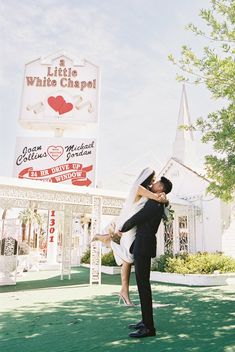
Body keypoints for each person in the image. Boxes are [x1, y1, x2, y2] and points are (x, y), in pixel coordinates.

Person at [93, 167, 168, 305]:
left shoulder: (147, 190)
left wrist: (163, 198)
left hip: (134, 227)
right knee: (128, 257)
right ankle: (107, 241)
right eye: (153, 178)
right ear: (147, 177)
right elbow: (154, 197)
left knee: (128, 259)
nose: (153, 181)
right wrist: (163, 199)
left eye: (155, 180)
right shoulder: (139, 188)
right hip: (130, 226)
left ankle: (124, 291)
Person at [119, 176, 173, 338]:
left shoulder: (154, 203)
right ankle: (145, 322)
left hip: (143, 246)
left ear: (161, 189)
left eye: (157, 183)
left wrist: (123, 227)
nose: (153, 184)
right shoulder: (156, 201)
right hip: (142, 245)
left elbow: (138, 218)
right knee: (143, 286)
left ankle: (149, 328)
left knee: (144, 287)